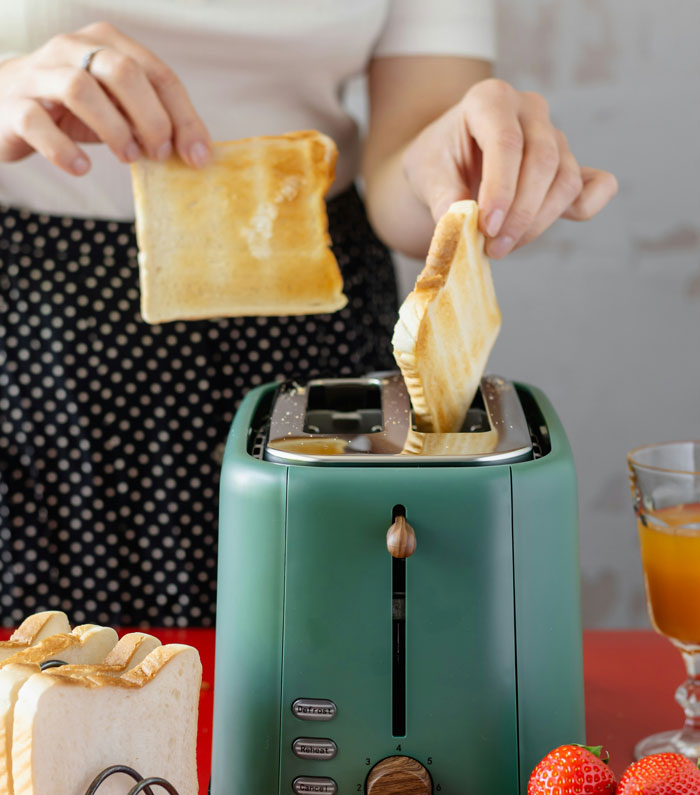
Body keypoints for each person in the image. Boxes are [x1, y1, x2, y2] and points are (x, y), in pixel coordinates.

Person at [0, 1, 617, 629]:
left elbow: (407, 173)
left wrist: (456, 164)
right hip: (39, 323)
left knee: (316, 640)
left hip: (311, 304)